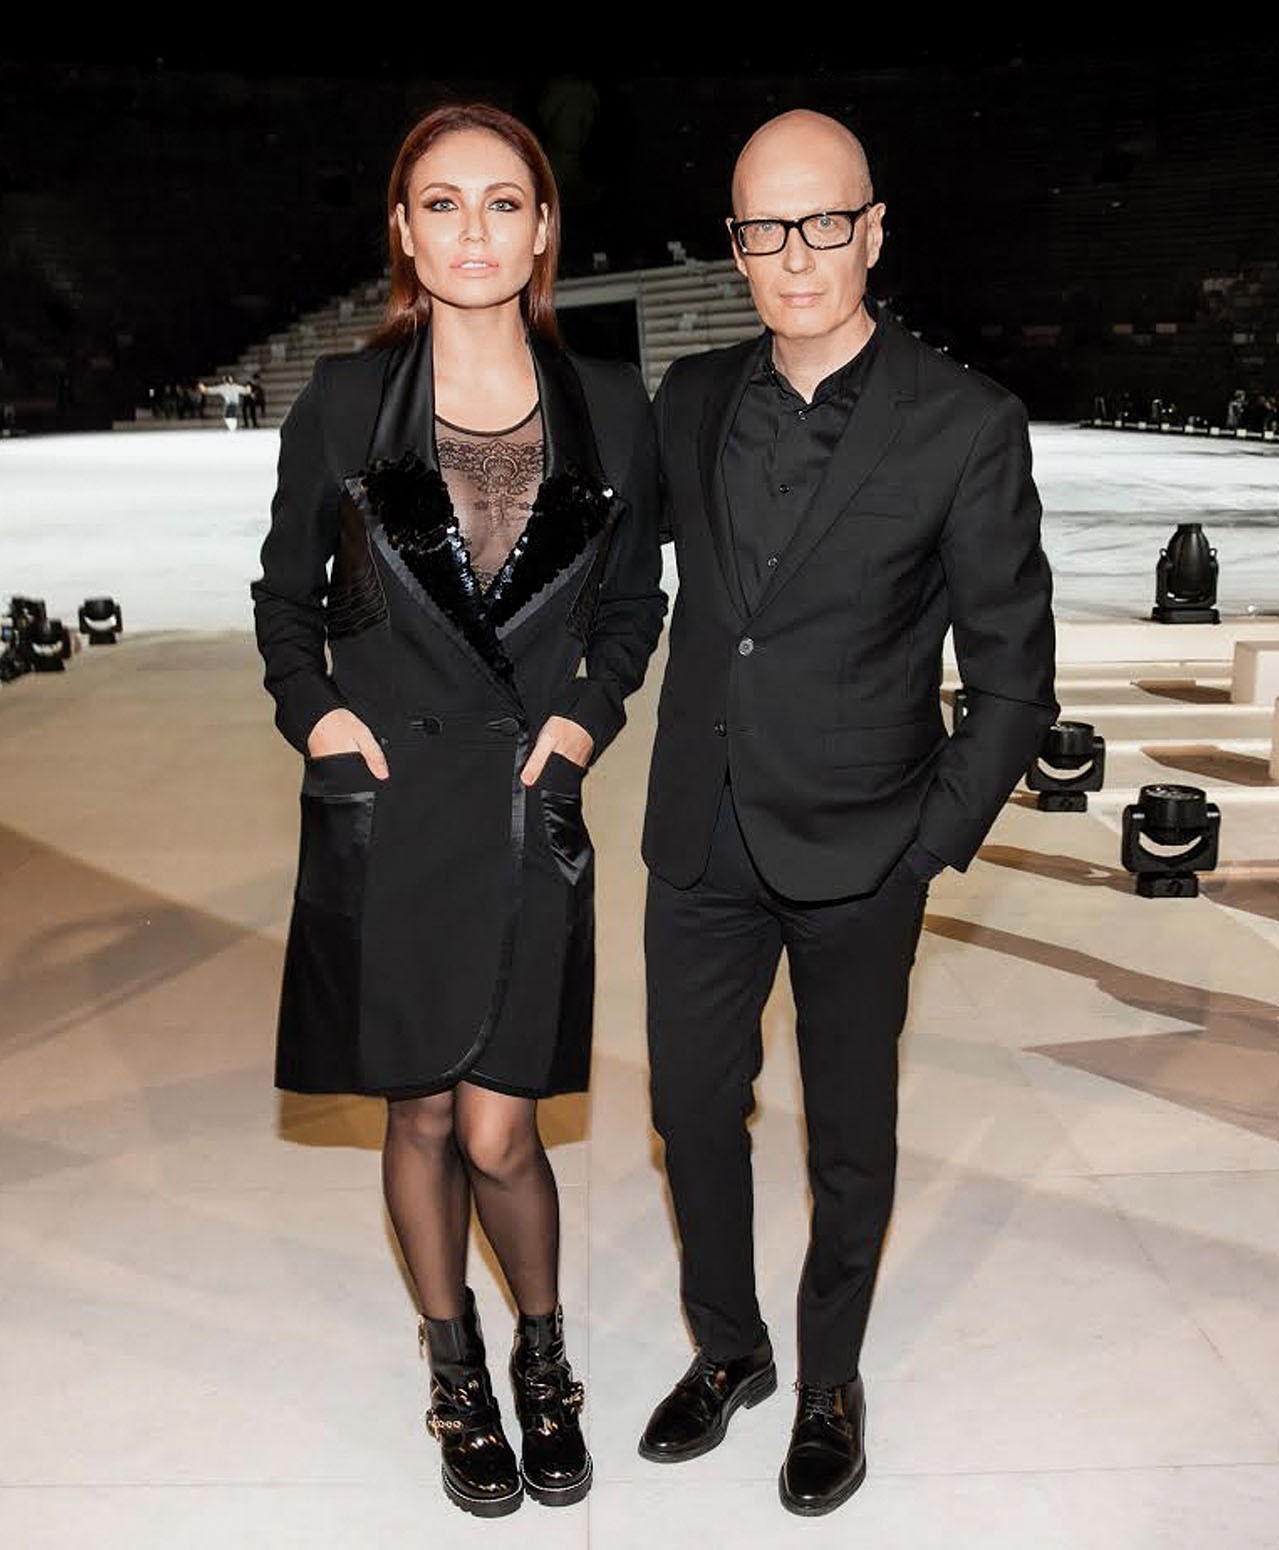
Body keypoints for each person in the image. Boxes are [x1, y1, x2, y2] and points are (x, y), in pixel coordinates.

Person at [638, 109, 1057, 1517]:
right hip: (702, 829)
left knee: (849, 1136)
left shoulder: (964, 422)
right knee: (691, 1111)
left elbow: (1015, 679)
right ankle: (731, 1347)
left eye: (824, 222)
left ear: (873, 230)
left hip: (866, 842)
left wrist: (924, 845)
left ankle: (829, 1380)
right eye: (766, 229)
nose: (797, 255)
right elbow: (624, 580)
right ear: (736, 248)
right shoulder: (692, 397)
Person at [250, 101, 665, 1518]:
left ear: (543, 230)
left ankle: (545, 1354)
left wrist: (588, 714)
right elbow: (283, 598)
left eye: (503, 202)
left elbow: (633, 603)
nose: (473, 230)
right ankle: (457, 1367)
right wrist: (319, 715)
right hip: (394, 805)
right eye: (442, 202)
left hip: (527, 805)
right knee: (421, 1113)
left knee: (502, 1128)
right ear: (404, 231)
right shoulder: (341, 400)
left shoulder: (612, 405)